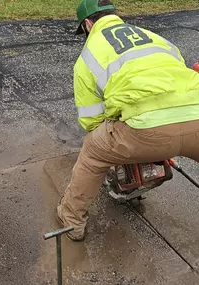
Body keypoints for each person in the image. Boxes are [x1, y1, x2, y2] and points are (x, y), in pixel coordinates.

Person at [56, 0, 199, 241]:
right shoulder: (154, 37)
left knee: (93, 152)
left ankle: (72, 220)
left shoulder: (88, 56)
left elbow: (91, 121)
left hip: (145, 129)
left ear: (88, 24)